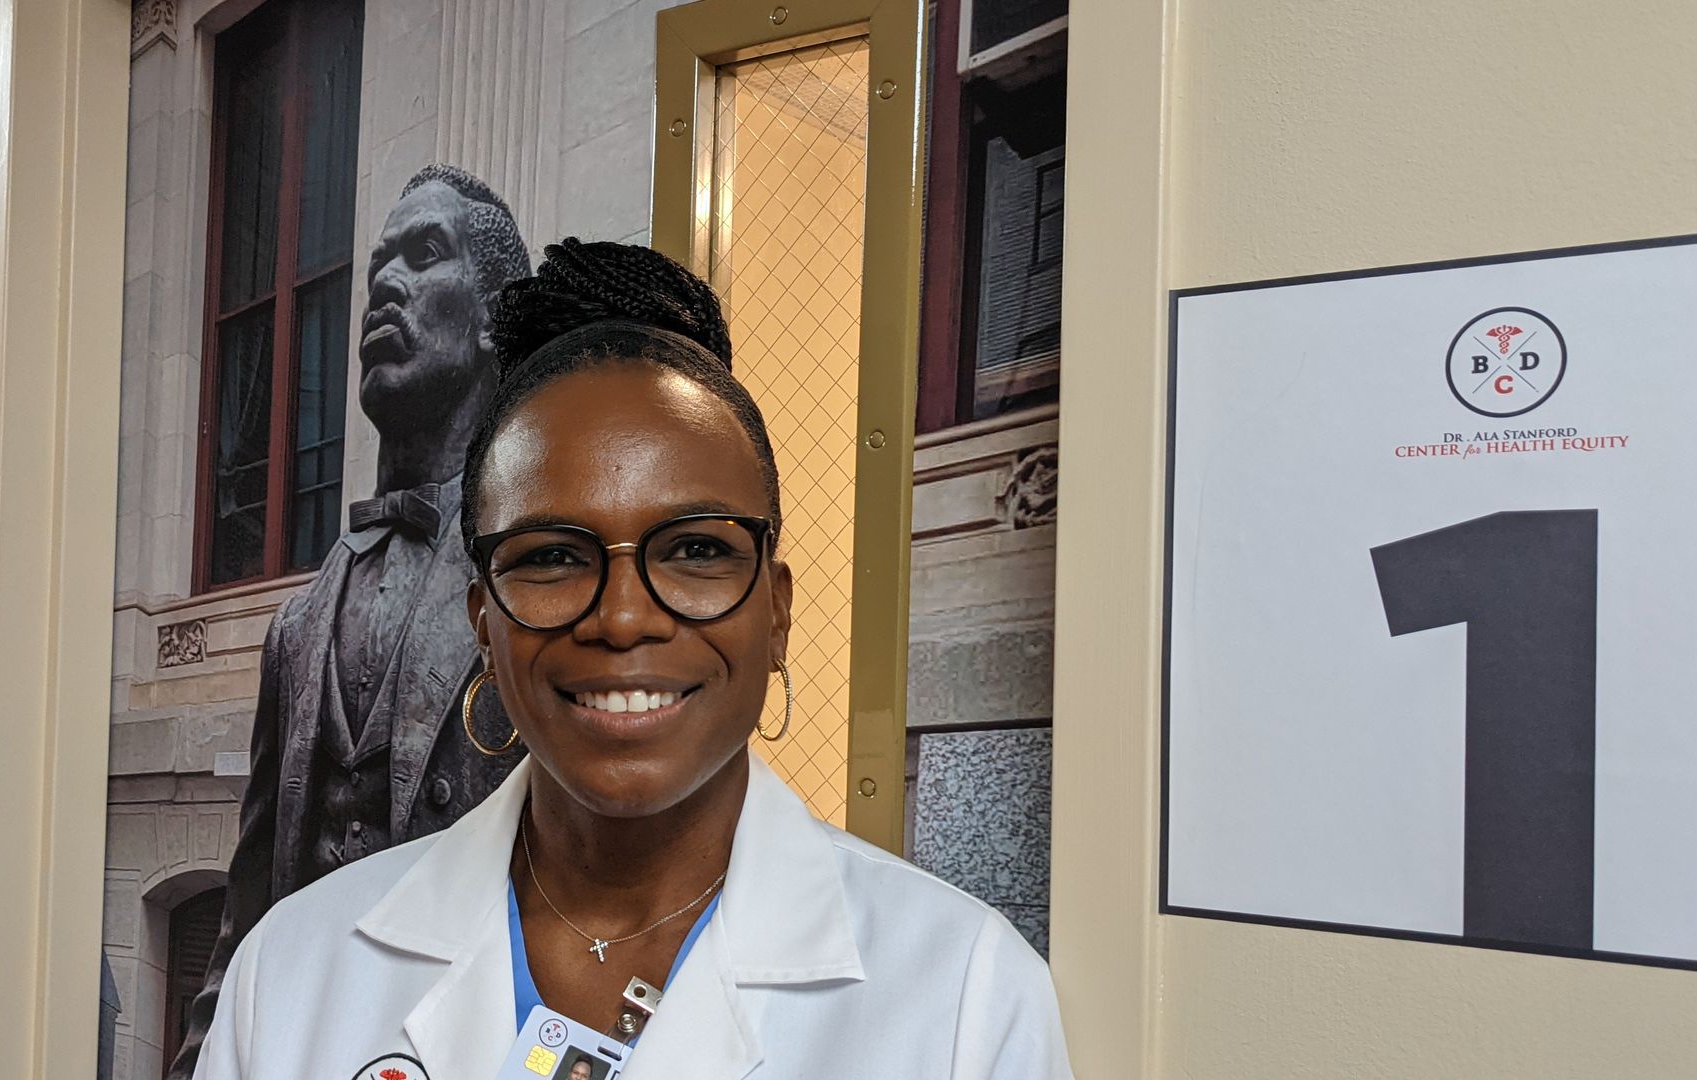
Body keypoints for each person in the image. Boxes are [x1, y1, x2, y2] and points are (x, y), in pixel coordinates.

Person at [192, 240, 1072, 1079]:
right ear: (485, 628)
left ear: (776, 612)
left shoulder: (965, 997)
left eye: (693, 551)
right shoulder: (294, 973)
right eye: (550, 555)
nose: (620, 618)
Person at [168, 165, 533, 1079]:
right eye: (378, 266)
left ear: (494, 316)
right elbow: (247, 916)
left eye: (425, 255)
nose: (388, 285)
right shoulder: (296, 628)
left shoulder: (541, 590)